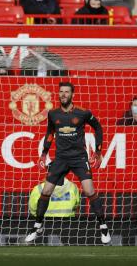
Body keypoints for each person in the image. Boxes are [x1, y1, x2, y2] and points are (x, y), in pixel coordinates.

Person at [25, 82, 111, 244]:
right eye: (61, 92)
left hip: (79, 158)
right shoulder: (53, 114)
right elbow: (50, 133)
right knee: (46, 191)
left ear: (72, 95)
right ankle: (37, 226)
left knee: (89, 191)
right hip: (61, 159)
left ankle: (103, 228)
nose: (63, 94)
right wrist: (44, 153)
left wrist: (98, 152)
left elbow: (98, 127)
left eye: (66, 92)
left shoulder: (83, 113)